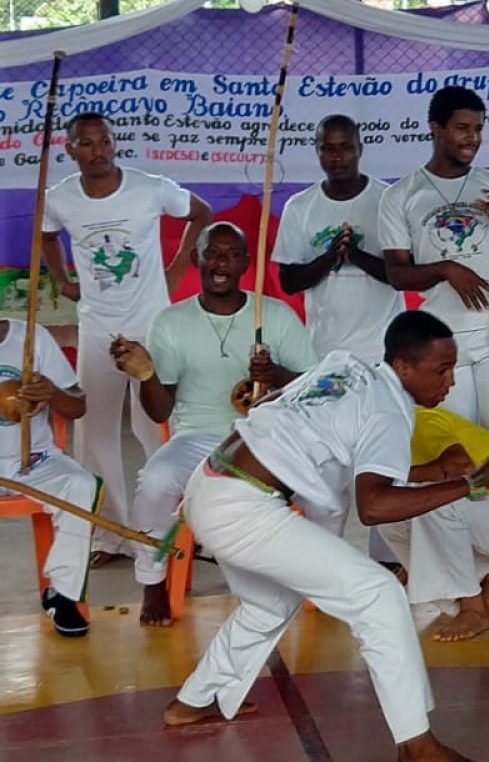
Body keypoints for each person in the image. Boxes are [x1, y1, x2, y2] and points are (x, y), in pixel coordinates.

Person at [163, 311, 489, 762]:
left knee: (270, 603)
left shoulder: (346, 364)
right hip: (242, 505)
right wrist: (465, 487)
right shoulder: (390, 409)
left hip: (212, 481)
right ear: (404, 367)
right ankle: (417, 745)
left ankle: (191, 701)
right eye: (441, 370)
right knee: (380, 594)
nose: (449, 382)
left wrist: (435, 474)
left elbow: (326, 438)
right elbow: (373, 506)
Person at [111, 222, 316, 627]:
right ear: (196, 259)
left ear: (244, 264)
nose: (221, 262)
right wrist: (145, 374)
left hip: (266, 435)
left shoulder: (274, 315)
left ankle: (312, 579)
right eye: (213, 253)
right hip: (198, 437)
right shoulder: (169, 321)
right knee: (155, 479)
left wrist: (275, 374)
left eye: (232, 255)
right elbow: (159, 412)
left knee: (322, 486)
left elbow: (315, 387)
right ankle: (153, 579)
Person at [41, 112, 212, 565]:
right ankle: (113, 535)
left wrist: (176, 269)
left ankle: (181, 527)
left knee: (157, 428)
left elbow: (201, 213)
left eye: (105, 141)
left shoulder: (149, 188)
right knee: (94, 433)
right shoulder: (59, 198)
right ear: (70, 150)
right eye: (87, 143)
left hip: (151, 325)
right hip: (97, 326)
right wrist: (61, 279)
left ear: (115, 144)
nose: (98, 151)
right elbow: (45, 234)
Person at [381, 86, 489, 448]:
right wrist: (446, 269)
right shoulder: (402, 195)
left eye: (478, 129)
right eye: (463, 128)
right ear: (435, 129)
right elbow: (396, 275)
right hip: (442, 339)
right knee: (453, 446)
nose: (473, 138)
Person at [378, 406, 489, 641]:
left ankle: (474, 610)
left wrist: (393, 474)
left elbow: (461, 466)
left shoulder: (420, 419)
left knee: (434, 500)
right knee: (391, 516)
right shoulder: (391, 428)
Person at [273, 114, 403, 361]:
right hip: (324, 350)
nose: (337, 157)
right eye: (328, 148)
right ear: (317, 151)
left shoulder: (388, 200)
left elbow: (401, 276)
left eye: (346, 148)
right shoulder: (299, 206)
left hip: (382, 349)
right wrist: (329, 258)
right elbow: (289, 282)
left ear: (360, 150)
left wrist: (355, 254)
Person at [0, 319, 99, 637]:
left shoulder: (31, 337)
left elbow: (77, 406)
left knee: (81, 485)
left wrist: (52, 393)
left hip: (33, 461)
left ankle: (64, 594)